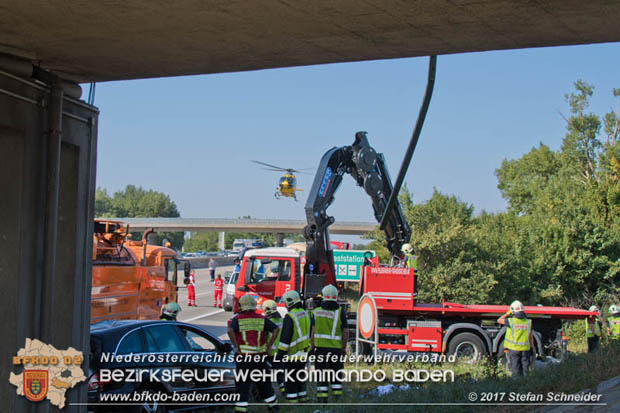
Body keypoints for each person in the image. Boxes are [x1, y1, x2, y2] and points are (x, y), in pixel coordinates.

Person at [227, 294, 280, 412]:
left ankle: (240, 409)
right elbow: (276, 329)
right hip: (260, 358)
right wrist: (269, 346)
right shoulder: (261, 318)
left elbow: (230, 330)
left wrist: (236, 347)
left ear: (242, 306)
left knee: (242, 386)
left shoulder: (238, 319)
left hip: (244, 358)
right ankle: (274, 407)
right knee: (265, 385)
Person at [311, 284, 348, 403]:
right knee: (336, 377)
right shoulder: (340, 312)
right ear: (336, 297)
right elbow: (346, 331)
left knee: (322, 377)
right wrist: (343, 347)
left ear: (323, 297)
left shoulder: (316, 312)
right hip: (336, 350)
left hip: (320, 350)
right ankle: (337, 399)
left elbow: (312, 331)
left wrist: (311, 347)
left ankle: (322, 400)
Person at [277, 290, 311, 403]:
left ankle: (292, 402)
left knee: (291, 380)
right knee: (300, 378)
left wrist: (280, 355)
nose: (285, 306)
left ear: (290, 303)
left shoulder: (290, 317)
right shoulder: (305, 313)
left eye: (286, 303)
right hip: (303, 354)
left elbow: (285, 339)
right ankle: (303, 398)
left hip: (292, 355)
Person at [497, 300, 534, 377]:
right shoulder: (528, 322)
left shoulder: (511, 321)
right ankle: (526, 384)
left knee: (515, 369)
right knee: (525, 370)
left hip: (514, 350)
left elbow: (499, 320)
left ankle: (516, 385)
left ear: (513, 311)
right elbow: (530, 337)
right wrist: (532, 348)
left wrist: (507, 313)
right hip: (525, 350)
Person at [262, 300, 285, 394]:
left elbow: (263, 337)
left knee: (265, 374)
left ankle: (267, 393)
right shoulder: (282, 321)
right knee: (280, 374)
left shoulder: (267, 322)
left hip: (269, 352)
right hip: (280, 352)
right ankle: (284, 391)